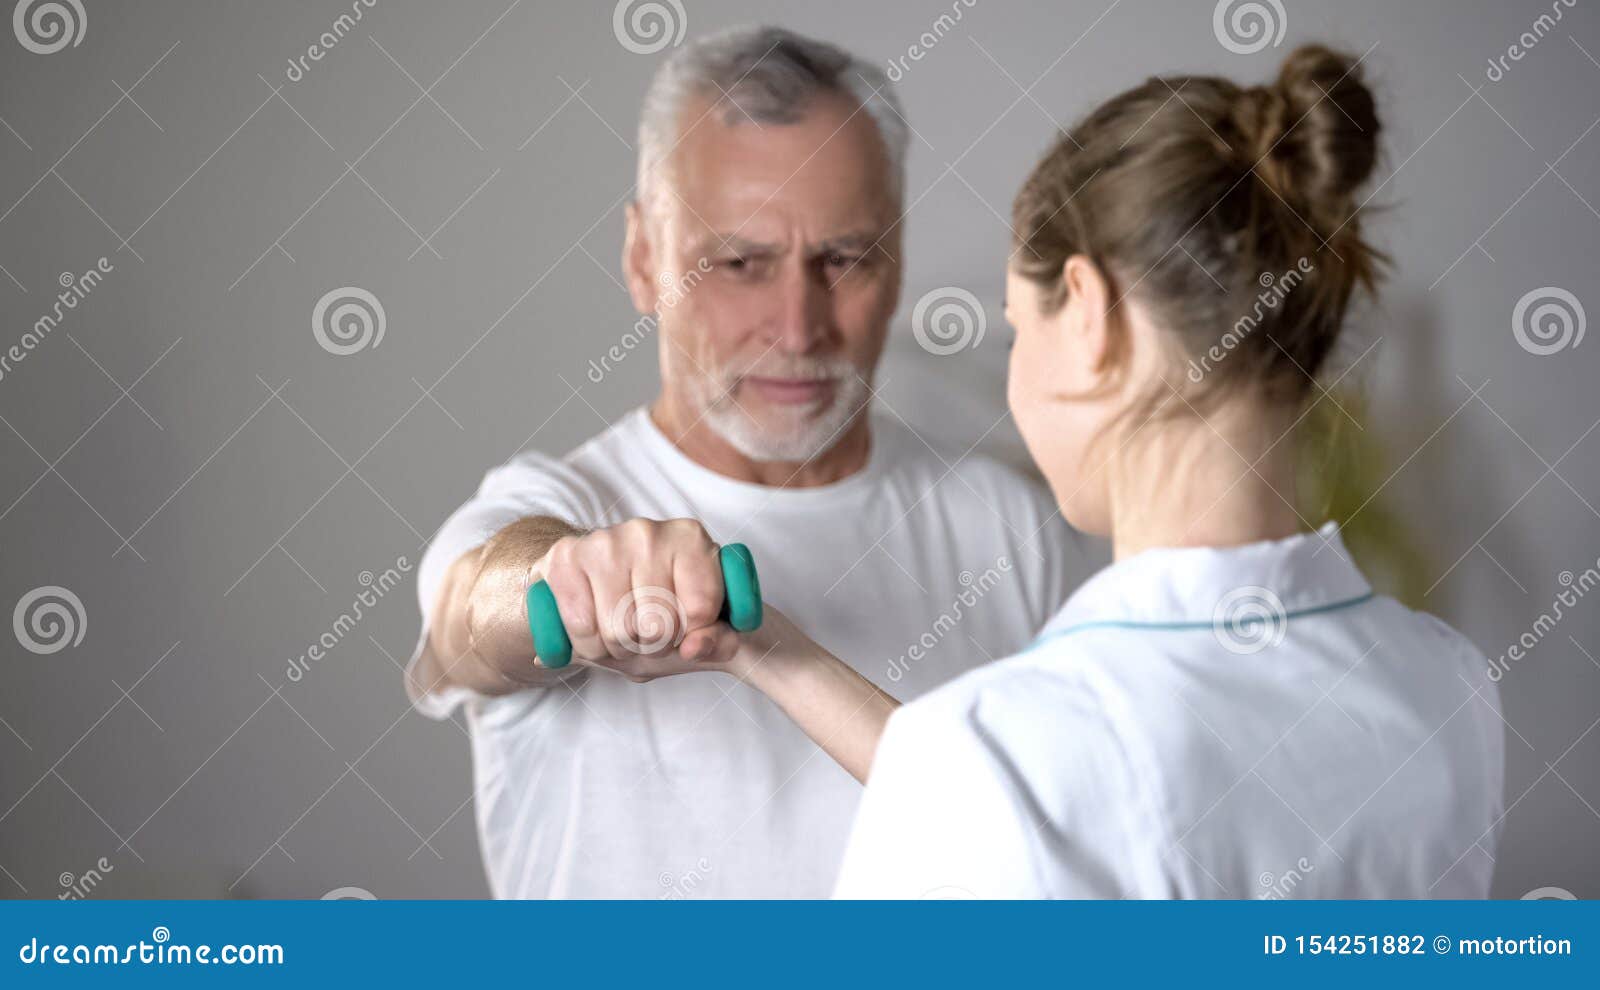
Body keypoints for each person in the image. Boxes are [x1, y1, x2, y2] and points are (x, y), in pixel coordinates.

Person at [674, 44, 1506, 898]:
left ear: (1088, 315)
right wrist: (778, 654)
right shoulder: (1447, 684)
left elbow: (1002, 795)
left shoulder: (989, 756)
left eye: (1017, 329)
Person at [405, 26, 1074, 898]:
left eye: (843, 258)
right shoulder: (563, 499)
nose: (798, 328)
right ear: (644, 261)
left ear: (898, 258)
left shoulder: (1013, 529)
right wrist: (560, 578)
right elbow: (470, 614)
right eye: (738, 263)